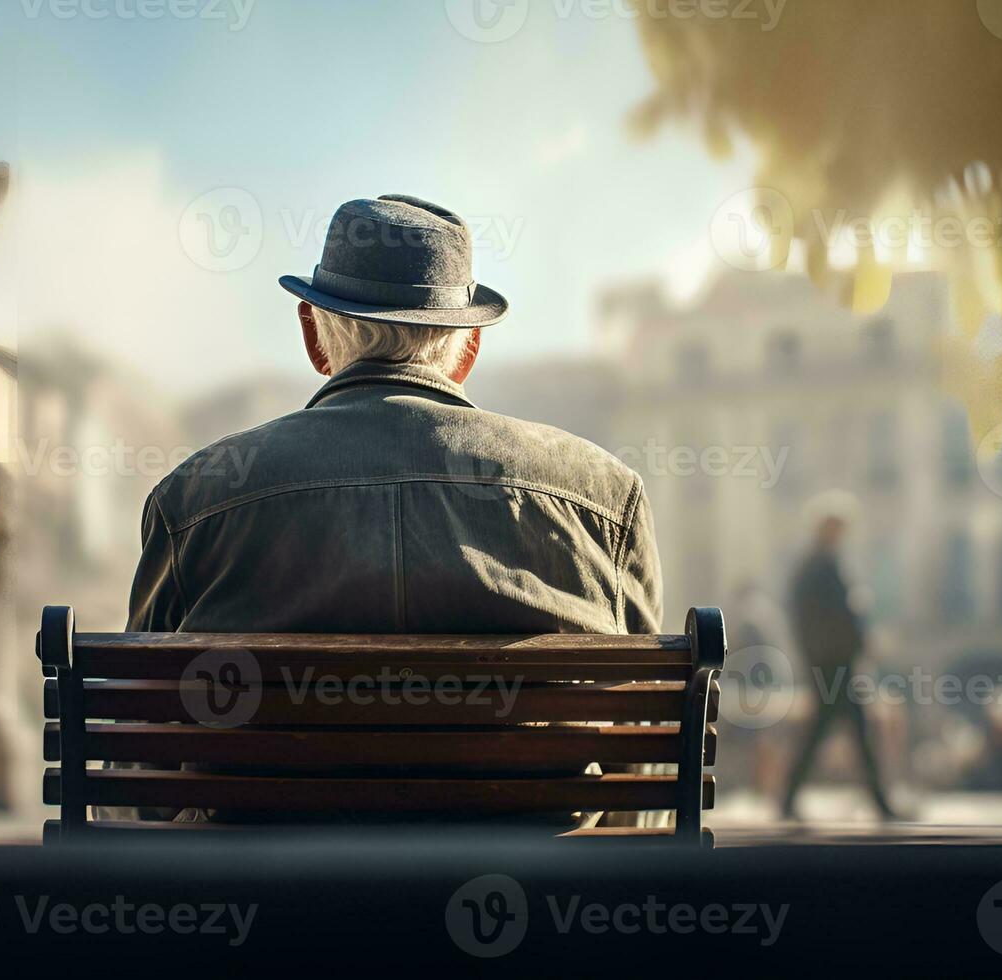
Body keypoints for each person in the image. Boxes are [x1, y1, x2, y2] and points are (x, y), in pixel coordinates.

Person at [127, 195, 661, 635]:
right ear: (467, 350)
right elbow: (649, 734)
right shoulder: (605, 501)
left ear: (314, 335)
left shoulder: (193, 504)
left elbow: (142, 726)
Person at [779, 493, 898, 821]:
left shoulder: (819, 564)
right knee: (850, 732)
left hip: (831, 663)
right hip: (833, 665)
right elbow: (830, 618)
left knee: (835, 731)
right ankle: (880, 802)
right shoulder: (820, 566)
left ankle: (790, 799)